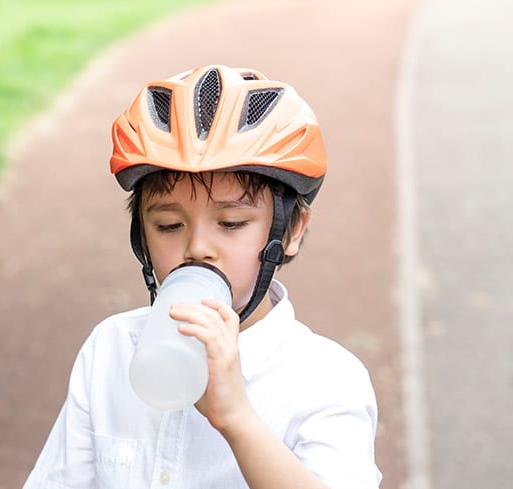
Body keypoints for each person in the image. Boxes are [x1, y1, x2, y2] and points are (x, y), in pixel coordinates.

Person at [22, 65, 381, 489]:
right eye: (169, 226)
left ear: (291, 230)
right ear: (142, 235)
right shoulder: (111, 350)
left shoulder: (325, 378)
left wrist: (236, 419)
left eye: (230, 223)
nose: (197, 248)